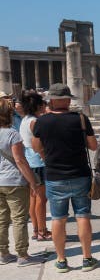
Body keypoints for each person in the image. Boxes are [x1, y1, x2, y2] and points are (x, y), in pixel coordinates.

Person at [31, 84, 99, 273]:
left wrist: (48, 153)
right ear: (68, 100)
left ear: (51, 100)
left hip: (54, 175)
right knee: (83, 215)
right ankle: (87, 258)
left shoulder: (42, 122)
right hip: (79, 174)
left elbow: (35, 146)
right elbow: (93, 146)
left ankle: (61, 260)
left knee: (58, 218)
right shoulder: (80, 119)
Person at [0, 99, 44, 267]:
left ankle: (3, 252)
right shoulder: (12, 134)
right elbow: (19, 160)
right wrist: (32, 181)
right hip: (14, 180)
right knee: (19, 218)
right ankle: (22, 254)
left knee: (2, 219)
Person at [19, 92, 49, 242]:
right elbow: (40, 145)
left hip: (30, 162)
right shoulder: (35, 122)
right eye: (43, 103)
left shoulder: (25, 120)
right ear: (39, 106)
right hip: (38, 163)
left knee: (33, 198)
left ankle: (36, 229)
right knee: (41, 199)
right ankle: (42, 230)